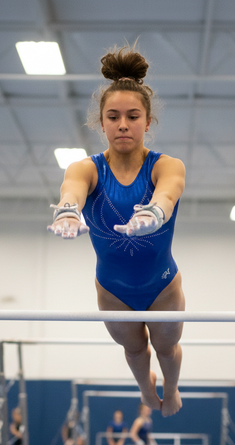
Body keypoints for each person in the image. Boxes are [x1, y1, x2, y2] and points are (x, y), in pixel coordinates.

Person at [47, 44, 186, 418]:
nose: (123, 124)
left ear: (147, 121)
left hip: (162, 284)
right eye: (113, 116)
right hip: (113, 290)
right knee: (134, 350)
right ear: (101, 122)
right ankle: (146, 388)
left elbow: (168, 190)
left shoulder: (167, 165)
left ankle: (170, 389)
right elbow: (71, 188)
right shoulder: (86, 167)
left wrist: (156, 212)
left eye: (132, 116)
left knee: (167, 347)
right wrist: (68, 211)